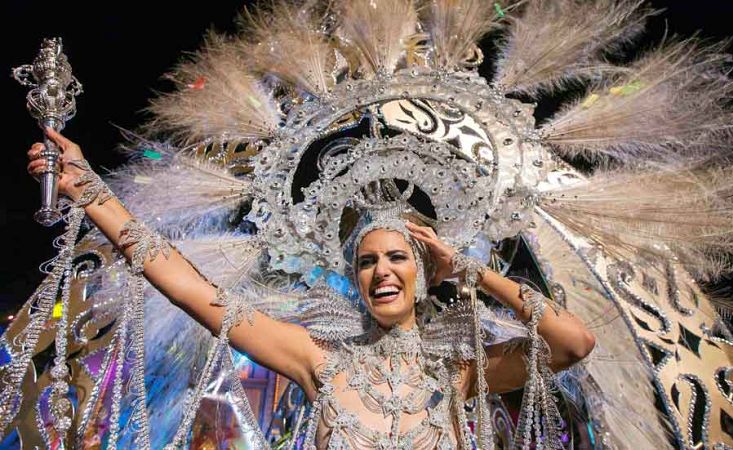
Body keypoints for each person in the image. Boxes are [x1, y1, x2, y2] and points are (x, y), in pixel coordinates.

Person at [26, 127, 595, 449]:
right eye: (367, 262)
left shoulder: (458, 371)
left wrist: (471, 273)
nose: (382, 271)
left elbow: (572, 344)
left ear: (424, 277)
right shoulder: (316, 357)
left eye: (399, 257)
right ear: (356, 281)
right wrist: (90, 192)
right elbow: (189, 290)